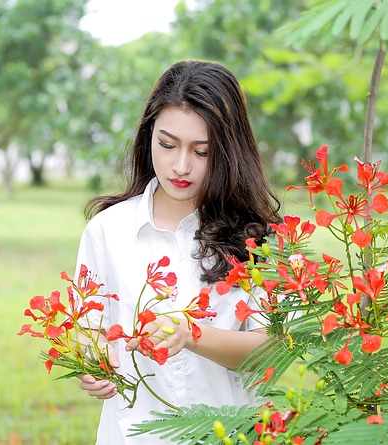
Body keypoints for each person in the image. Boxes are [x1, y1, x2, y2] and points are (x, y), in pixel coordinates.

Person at [74, 60, 282, 444]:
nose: (180, 166)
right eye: (167, 145)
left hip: (232, 435)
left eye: (201, 152)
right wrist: (94, 361)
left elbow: (274, 350)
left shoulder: (261, 237)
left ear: (228, 151)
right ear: (148, 135)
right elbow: (89, 327)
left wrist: (190, 334)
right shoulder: (107, 231)